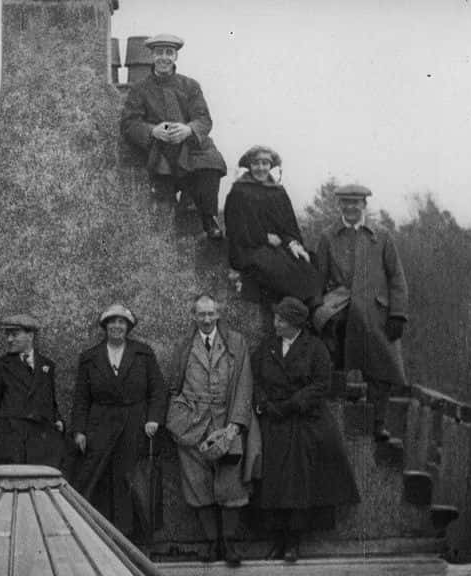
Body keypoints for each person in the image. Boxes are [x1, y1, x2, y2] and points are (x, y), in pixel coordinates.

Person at [252, 297, 360, 563]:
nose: (275, 323)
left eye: (280, 319)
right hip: (273, 423)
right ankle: (277, 538)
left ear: (294, 324)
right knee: (273, 482)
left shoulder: (316, 349)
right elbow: (254, 378)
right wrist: (264, 404)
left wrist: (291, 405)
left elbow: (320, 385)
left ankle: (293, 542)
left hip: (304, 422)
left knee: (298, 483)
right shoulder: (267, 347)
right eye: (276, 318)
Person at [166, 294, 261, 566]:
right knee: (198, 485)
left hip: (226, 422)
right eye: (201, 315)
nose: (206, 319)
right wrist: (178, 419)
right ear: (193, 316)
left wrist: (234, 427)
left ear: (218, 315)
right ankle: (211, 544)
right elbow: (173, 386)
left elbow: (245, 383)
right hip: (192, 426)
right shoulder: (185, 346)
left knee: (231, 484)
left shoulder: (235, 342)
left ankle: (229, 544)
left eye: (210, 314)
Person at [314, 184, 409, 442]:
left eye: (356, 203)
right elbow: (318, 277)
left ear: (364, 205)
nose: (350, 207)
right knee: (331, 360)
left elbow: (396, 277)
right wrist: (317, 307)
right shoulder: (328, 236)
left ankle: (377, 422)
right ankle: (331, 419)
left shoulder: (382, 235)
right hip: (340, 306)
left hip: (375, 312)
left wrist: (398, 314)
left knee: (382, 367)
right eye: (345, 203)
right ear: (339, 206)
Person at [71, 304, 167, 537]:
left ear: (128, 327)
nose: (116, 326)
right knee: (100, 482)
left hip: (133, 427)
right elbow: (81, 398)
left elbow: (158, 391)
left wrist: (153, 419)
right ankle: (101, 536)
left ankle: (131, 538)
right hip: (100, 427)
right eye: (112, 322)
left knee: (129, 481)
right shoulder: (90, 358)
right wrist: (79, 431)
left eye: (121, 322)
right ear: (105, 327)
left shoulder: (142, 353)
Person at [120, 34, 226, 240]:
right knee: (163, 197)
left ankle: (208, 217)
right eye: (159, 53)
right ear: (152, 56)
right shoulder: (140, 89)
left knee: (211, 161)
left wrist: (188, 129)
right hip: (160, 150)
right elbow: (129, 123)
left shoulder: (190, 86)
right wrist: (152, 130)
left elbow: (203, 119)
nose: (164, 58)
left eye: (169, 53)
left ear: (175, 56)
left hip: (191, 147)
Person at [224, 146, 322, 306]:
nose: (261, 168)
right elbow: (235, 227)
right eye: (256, 163)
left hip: (279, 245)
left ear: (271, 166)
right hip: (249, 247)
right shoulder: (239, 191)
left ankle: (311, 309)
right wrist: (264, 237)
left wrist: (293, 243)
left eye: (265, 163)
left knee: (308, 262)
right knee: (277, 268)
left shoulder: (278, 191)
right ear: (249, 166)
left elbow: (288, 224)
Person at [0, 314, 64, 471]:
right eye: (7, 335)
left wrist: (57, 420)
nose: (9, 339)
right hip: (9, 449)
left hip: (41, 451)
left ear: (30, 336)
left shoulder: (47, 366)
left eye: (15, 334)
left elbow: (49, 401)